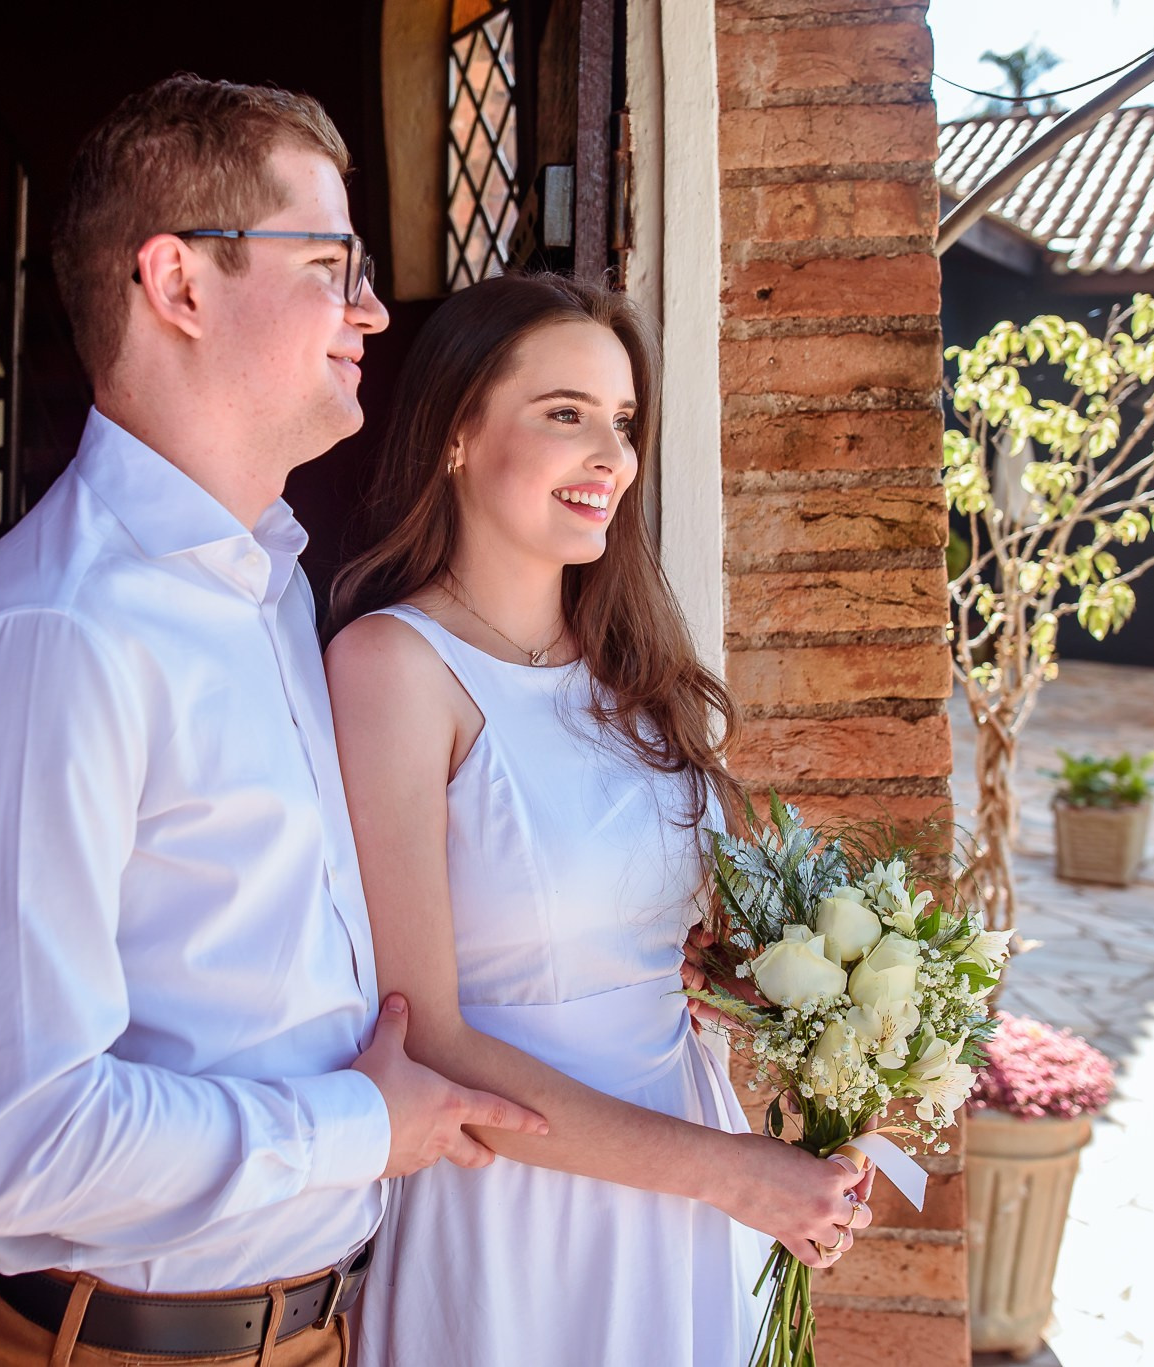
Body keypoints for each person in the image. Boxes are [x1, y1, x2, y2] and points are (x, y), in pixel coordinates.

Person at [0, 75, 546, 1367]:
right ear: (180, 284)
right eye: (334, 263)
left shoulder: (269, 583)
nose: (371, 308)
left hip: (313, 1326)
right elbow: (10, 1142)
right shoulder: (57, 634)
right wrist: (364, 1126)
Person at [324, 273, 874, 1365]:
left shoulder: (632, 673)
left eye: (620, 423)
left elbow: (663, 941)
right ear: (454, 433)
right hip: (515, 1211)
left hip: (681, 1184)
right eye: (565, 413)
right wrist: (735, 1173)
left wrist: (798, 1020)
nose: (610, 457)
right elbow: (423, 1034)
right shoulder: (392, 668)